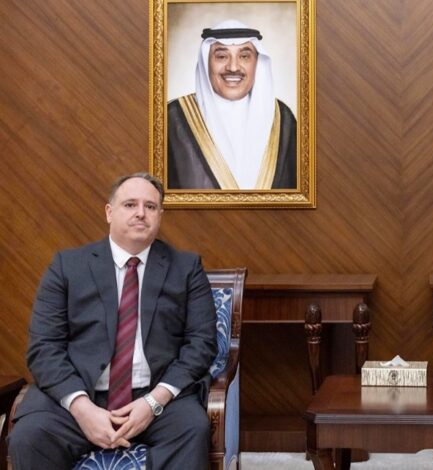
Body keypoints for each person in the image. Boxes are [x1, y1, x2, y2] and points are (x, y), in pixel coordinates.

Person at [8, 173, 217, 469]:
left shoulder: (186, 268)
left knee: (192, 429)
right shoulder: (67, 266)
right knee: (30, 436)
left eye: (150, 206)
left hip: (157, 397)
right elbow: (44, 347)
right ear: (109, 212)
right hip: (80, 393)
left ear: (160, 215)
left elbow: (201, 344)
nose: (141, 213)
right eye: (130, 204)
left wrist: (153, 402)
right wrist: (82, 408)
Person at [168, 19, 297, 190]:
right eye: (221, 56)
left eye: (244, 56)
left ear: (257, 63)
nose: (233, 67)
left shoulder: (282, 118)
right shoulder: (173, 117)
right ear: (207, 62)